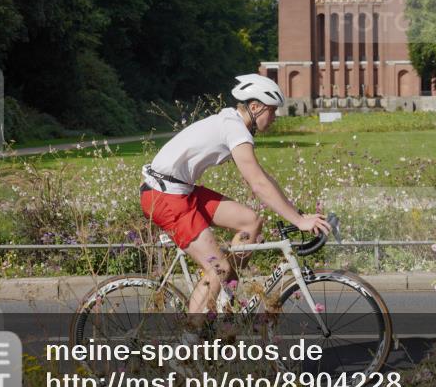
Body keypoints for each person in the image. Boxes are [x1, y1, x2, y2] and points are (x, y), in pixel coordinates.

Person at [140, 74, 331, 316]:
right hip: (164, 196)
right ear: (255, 107)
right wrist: (299, 222)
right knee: (217, 267)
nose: (274, 118)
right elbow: (258, 185)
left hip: (180, 190)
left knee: (250, 221)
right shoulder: (234, 129)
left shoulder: (233, 124)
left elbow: (263, 177)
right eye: (272, 111)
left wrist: (297, 213)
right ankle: (187, 345)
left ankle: (223, 299)